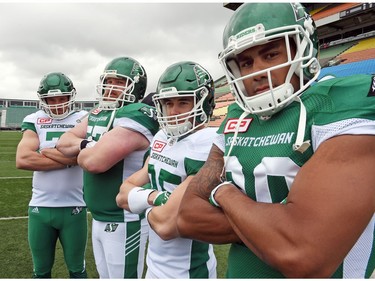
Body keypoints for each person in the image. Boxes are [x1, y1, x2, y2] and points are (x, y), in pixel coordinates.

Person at [177, 3, 375, 278]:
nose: (256, 72)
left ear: (303, 49)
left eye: (270, 54)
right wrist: (275, 226)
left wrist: (223, 192)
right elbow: (188, 216)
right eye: (245, 62)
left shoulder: (342, 104)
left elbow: (302, 252)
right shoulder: (236, 116)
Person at [56, 57, 159, 278]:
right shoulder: (98, 113)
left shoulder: (138, 113)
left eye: (119, 82)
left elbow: (95, 163)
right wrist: (88, 145)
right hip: (100, 216)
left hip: (124, 219)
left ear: (136, 87)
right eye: (108, 81)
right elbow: (63, 142)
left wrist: (85, 151)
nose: (111, 87)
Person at [116, 61, 217, 278]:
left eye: (183, 103)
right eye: (168, 103)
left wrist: (140, 200)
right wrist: (158, 198)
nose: (173, 111)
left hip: (188, 271)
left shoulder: (207, 142)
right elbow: (122, 195)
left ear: (204, 102)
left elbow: (165, 226)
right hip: (153, 267)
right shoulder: (162, 138)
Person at [16, 72, 88, 278]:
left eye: (62, 98)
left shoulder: (82, 119)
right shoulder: (34, 119)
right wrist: (69, 159)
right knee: (41, 271)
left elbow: (88, 156)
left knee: (77, 270)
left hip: (74, 206)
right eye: (51, 99)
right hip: (40, 207)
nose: (57, 104)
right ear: (43, 99)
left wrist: (47, 153)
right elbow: (23, 160)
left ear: (70, 97)